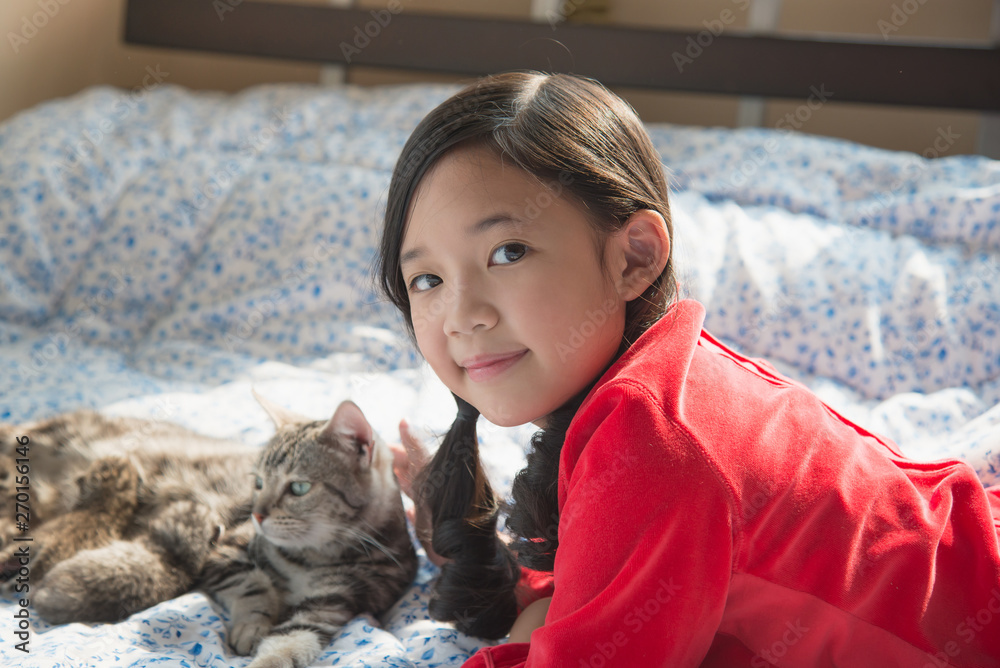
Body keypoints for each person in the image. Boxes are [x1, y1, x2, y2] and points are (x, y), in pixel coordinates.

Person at [378, 70, 1000, 667]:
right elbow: (607, 583)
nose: (462, 314)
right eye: (426, 279)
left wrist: (527, 625)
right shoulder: (652, 390)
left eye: (507, 252)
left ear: (634, 258)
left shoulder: (657, 441)